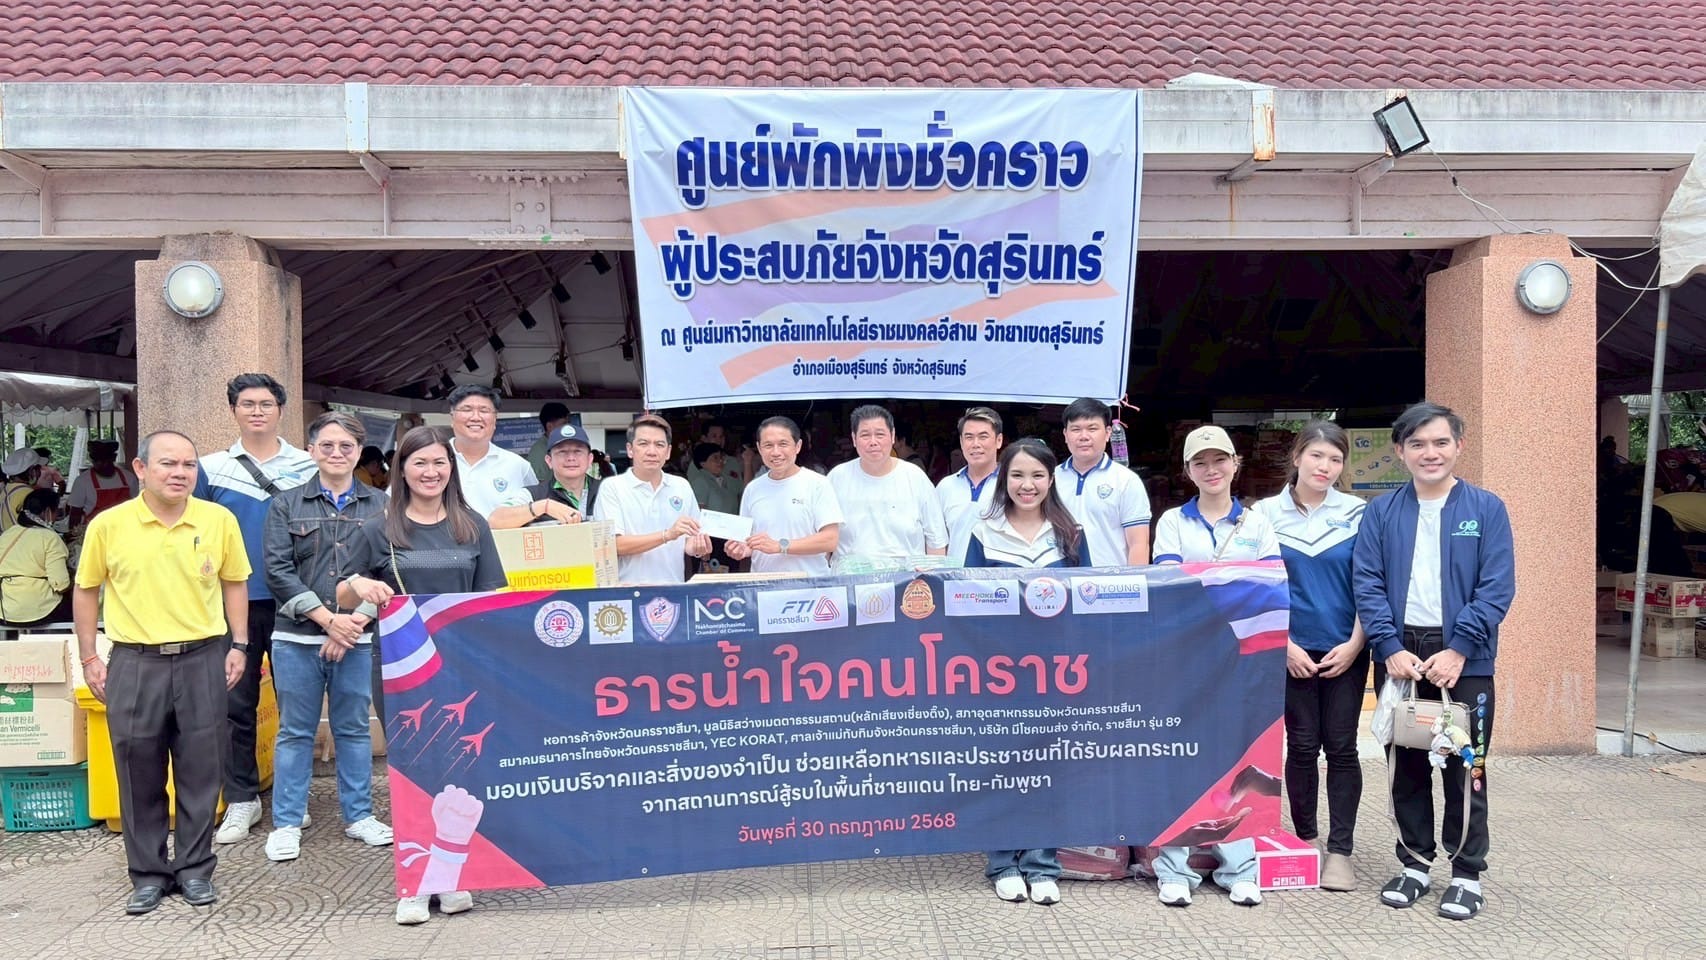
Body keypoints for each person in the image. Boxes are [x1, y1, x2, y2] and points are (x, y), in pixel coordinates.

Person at [336, 424, 507, 926]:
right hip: (399, 668)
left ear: (450, 468)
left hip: (463, 668)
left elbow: (491, 598)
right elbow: (342, 593)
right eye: (420, 463)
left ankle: (451, 876)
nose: (431, 472)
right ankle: (414, 885)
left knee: (459, 773)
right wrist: (360, 586)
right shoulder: (378, 528)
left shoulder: (472, 526)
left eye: (439, 462)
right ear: (402, 469)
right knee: (412, 772)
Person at [75, 430, 250, 915]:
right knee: (138, 771)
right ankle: (148, 874)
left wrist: (239, 645)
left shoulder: (217, 519)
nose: (180, 473)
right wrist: (90, 656)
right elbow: (86, 590)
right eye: (168, 464)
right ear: (141, 468)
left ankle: (194, 869)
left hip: (203, 658)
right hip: (135, 662)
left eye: (189, 465)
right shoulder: (109, 525)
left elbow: (235, 582)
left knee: (201, 770)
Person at [1353, 402, 1514, 921]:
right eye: (1418, 444)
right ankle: (1415, 864)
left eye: (1441, 442)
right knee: (1406, 765)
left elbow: (1497, 587)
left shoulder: (1485, 509)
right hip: (1401, 656)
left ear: (1458, 446)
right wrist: (1388, 646)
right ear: (1400, 451)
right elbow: (1367, 583)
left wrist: (1460, 647)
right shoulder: (1381, 512)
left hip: (1465, 658)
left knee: (1466, 768)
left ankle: (1466, 874)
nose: (1430, 453)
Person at [1149, 424, 1281, 908]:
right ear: (1187, 471)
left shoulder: (1257, 524)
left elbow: (1269, 587)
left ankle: (1239, 869)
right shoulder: (1172, 522)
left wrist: (1209, 583)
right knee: (1180, 757)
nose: (1211, 470)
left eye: (1219, 460)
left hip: (1243, 660)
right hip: (1185, 657)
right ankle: (1174, 870)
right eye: (1200, 462)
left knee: (1240, 760)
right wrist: (1230, 585)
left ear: (1235, 464)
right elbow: (1170, 587)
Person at [261, 412, 394, 864]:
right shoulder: (286, 504)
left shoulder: (382, 505)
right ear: (312, 450)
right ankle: (286, 822)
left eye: (346, 446)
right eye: (328, 445)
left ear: (358, 452)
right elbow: (278, 570)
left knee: (354, 728)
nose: (337, 453)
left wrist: (350, 623)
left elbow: (389, 570)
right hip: (295, 638)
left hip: (357, 637)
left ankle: (360, 816)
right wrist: (326, 620)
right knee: (295, 731)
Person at [965, 437, 1088, 905]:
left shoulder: (1069, 533)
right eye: (1017, 475)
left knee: (1048, 767)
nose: (1027, 484)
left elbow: (1086, 601)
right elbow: (966, 602)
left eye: (1037, 475)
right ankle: (1002, 862)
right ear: (1004, 479)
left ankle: (1041, 863)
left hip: (1055, 670)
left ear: (1051, 479)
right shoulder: (985, 533)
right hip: (998, 671)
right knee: (1002, 765)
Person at [194, 373, 316, 845]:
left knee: (296, 705)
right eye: (247, 404)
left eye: (266, 403)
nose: (257, 411)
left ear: (281, 409)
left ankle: (293, 797)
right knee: (234, 705)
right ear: (234, 411)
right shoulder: (211, 468)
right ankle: (242, 798)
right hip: (233, 604)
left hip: (295, 602)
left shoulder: (306, 465)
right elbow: (197, 533)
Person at [1253, 421, 1367, 892]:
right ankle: (1307, 840)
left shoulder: (1359, 514)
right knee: (1300, 746)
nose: (1325, 466)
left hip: (1346, 648)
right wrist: (1284, 645)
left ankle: (1341, 851)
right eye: (1317, 456)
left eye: (1335, 459)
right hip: (1290, 650)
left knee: (1341, 746)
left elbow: (1371, 585)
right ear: (1297, 456)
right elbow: (1256, 589)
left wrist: (1356, 644)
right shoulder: (1263, 514)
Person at [592, 414, 711, 585]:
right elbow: (614, 545)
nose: (652, 451)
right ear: (630, 449)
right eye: (643, 444)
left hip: (673, 589)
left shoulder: (681, 486)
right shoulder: (612, 488)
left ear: (668, 452)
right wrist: (667, 535)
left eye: (659, 445)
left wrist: (698, 548)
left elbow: (689, 540)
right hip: (628, 591)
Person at [827, 405, 948, 566]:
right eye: (865, 435)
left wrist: (930, 577)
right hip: (851, 578)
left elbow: (936, 540)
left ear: (892, 436)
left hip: (907, 578)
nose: (873, 442)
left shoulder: (915, 477)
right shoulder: (837, 478)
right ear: (854, 439)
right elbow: (823, 540)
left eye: (880, 434)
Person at [726, 417, 842, 575]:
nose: (776, 452)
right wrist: (741, 549)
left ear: (798, 446)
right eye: (768, 445)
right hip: (763, 584)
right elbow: (746, 539)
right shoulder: (752, 489)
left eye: (783, 444)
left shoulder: (818, 484)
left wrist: (781, 546)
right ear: (759, 448)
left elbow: (830, 540)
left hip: (810, 584)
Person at [1056, 398, 1151, 567]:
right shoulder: (1051, 479)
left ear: (1107, 433)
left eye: (1092, 429)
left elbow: (1138, 544)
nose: (1084, 437)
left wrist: (1133, 582)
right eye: (1076, 429)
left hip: (1111, 580)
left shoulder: (1126, 480)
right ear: (1065, 435)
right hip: (1060, 579)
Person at [445, 385, 538, 523]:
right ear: (452, 418)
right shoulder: (434, 460)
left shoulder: (518, 465)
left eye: (484, 410)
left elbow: (533, 509)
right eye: (467, 409)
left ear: (495, 420)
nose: (476, 417)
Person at [501, 414, 600, 527]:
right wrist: (544, 507)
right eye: (562, 452)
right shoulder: (534, 494)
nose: (571, 458)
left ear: (590, 459)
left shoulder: (606, 490)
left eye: (578, 451)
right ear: (549, 461)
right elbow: (495, 520)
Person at [937, 407, 1004, 565]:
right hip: (954, 578)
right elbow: (937, 541)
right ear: (961, 442)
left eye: (983, 437)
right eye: (969, 437)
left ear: (999, 440)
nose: (975, 444)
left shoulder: (1011, 485)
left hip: (999, 577)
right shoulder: (946, 487)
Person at [0, 489, 72, 626]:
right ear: (47, 512)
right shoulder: (50, 538)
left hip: (5, 610)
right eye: (56, 512)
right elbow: (61, 585)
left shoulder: (8, 533)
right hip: (38, 611)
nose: (56, 516)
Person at [68, 439, 138, 526]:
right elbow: (75, 514)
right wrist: (73, 533)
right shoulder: (82, 481)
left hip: (124, 528)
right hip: (95, 530)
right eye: (96, 460)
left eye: (104, 460)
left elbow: (137, 507)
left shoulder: (129, 478)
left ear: (114, 458)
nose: (100, 463)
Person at [688, 442, 744, 515]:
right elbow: (699, 513)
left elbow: (744, 489)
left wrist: (747, 463)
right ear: (703, 463)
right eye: (715, 458)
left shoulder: (727, 479)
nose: (720, 461)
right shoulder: (700, 482)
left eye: (721, 457)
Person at [526, 402, 570, 482]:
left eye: (569, 423)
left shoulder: (560, 447)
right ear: (549, 426)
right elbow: (539, 486)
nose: (568, 427)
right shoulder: (539, 452)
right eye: (564, 424)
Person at [1, 447, 41, 533]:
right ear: (31, 470)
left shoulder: (6, 489)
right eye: (38, 469)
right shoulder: (28, 493)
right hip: (22, 539)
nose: (40, 473)